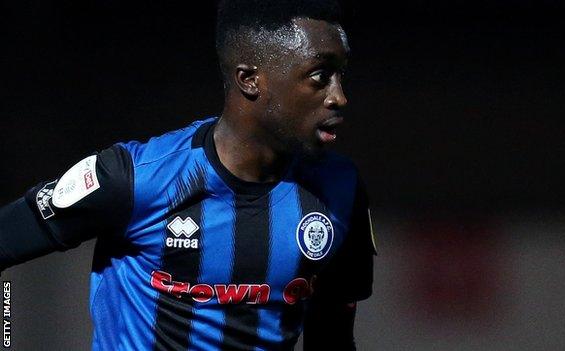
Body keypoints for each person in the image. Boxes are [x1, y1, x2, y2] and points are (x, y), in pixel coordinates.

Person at [0, 0, 376, 350]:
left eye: (341, 75)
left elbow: (333, 336)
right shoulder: (134, 179)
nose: (339, 96)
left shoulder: (339, 190)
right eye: (319, 75)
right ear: (250, 80)